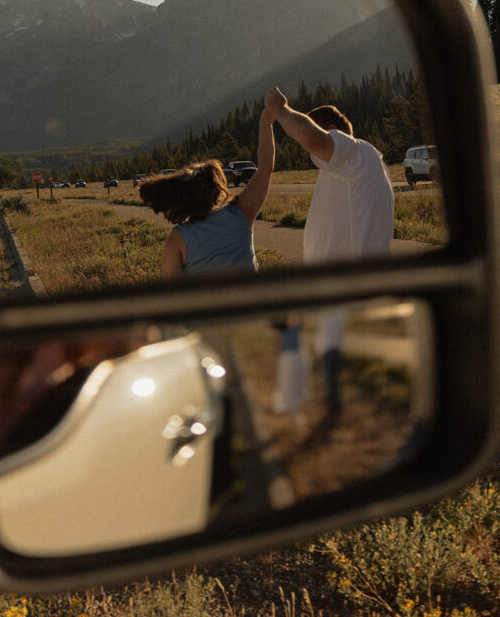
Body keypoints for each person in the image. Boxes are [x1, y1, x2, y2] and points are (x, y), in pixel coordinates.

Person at [265, 87, 394, 416]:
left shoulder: (352, 152)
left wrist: (280, 109)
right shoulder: (358, 165)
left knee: (350, 403)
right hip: (342, 302)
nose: (307, 151)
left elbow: (310, 136)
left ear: (334, 132)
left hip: (345, 303)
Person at [139, 108, 275, 278]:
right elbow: (265, 168)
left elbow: (172, 290)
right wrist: (267, 120)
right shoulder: (241, 213)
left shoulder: (178, 238)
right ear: (216, 191)